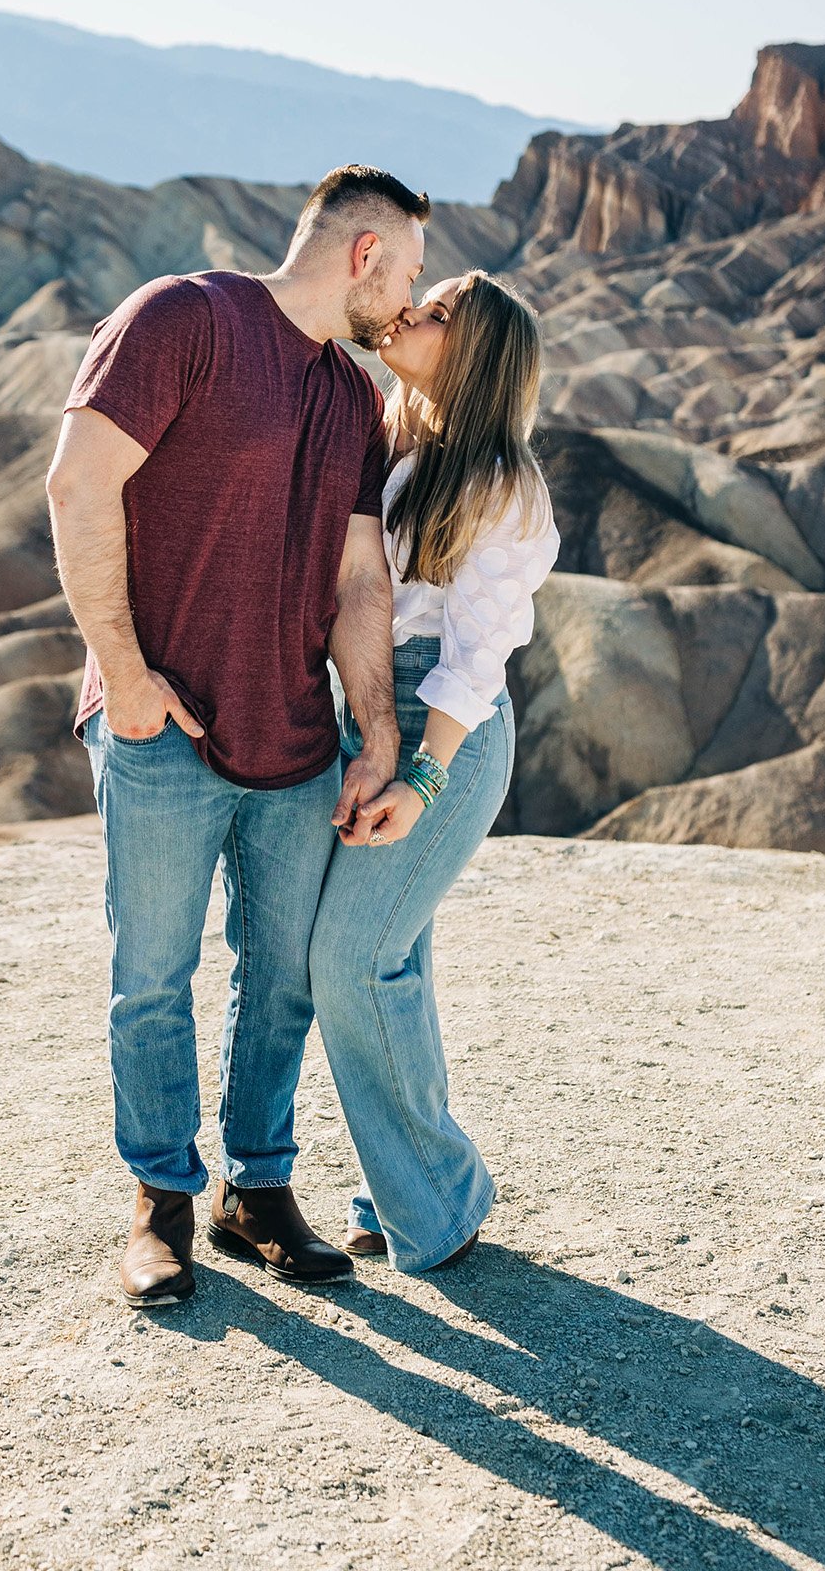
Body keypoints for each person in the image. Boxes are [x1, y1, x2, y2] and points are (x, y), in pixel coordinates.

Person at [45, 166, 430, 1307]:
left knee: (282, 981)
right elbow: (77, 485)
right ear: (364, 253)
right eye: (405, 271)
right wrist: (124, 674)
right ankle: (160, 1201)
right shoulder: (183, 318)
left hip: (295, 737)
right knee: (151, 978)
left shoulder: (353, 397)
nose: (406, 300)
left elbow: (360, 575)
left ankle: (255, 1190)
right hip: (162, 730)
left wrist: (374, 727)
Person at [309, 269, 560, 1273]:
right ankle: (395, 1178)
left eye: (443, 310)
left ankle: (440, 1199)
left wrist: (421, 778)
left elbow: (475, 655)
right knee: (389, 957)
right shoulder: (395, 441)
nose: (417, 309)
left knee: (354, 958)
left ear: (479, 354)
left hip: (441, 730)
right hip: (365, 706)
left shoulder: (503, 483)